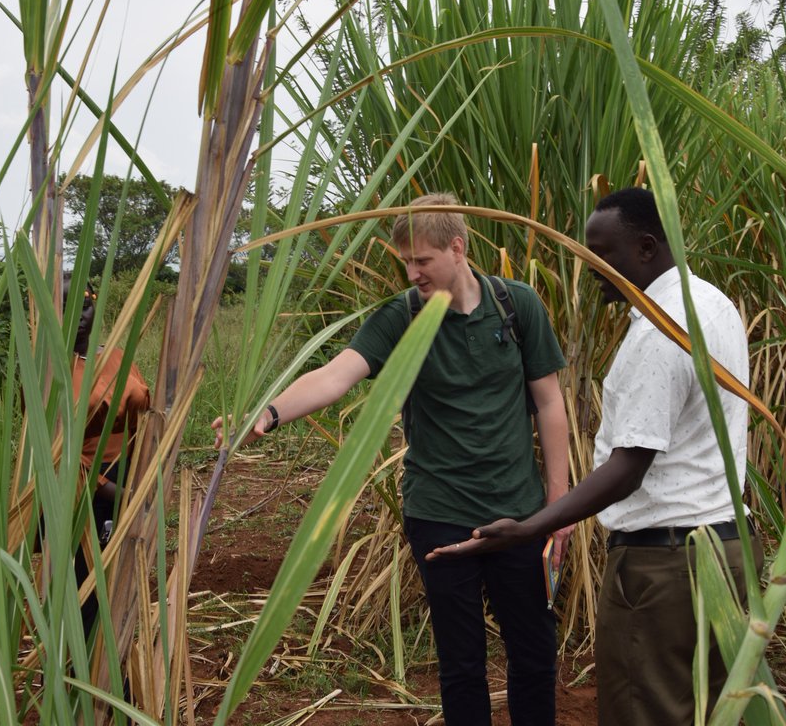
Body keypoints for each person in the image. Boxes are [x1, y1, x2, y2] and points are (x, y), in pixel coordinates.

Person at [213, 193, 571, 726]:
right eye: (405, 261)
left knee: (535, 657)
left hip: (519, 514)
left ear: (457, 248)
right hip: (439, 512)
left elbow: (549, 402)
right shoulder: (401, 317)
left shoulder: (516, 306)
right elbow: (336, 376)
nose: (412, 273)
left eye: (422, 260)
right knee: (461, 664)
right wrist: (267, 413)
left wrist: (557, 510)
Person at [428, 187, 758, 726]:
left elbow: (629, 469)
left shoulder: (660, 332)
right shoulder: (713, 303)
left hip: (664, 568)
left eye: (603, 254)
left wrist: (530, 527)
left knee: (643, 711)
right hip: (727, 552)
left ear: (647, 248)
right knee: (715, 710)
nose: (590, 268)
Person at [64, 273, 151, 638]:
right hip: (87, 487)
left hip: (129, 476)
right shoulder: (53, 369)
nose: (79, 313)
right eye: (68, 305)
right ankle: (87, 671)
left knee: (127, 578)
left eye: (84, 304)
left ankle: (127, 667)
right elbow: (58, 448)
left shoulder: (118, 356)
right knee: (90, 584)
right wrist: (108, 490)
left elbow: (146, 415)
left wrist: (140, 479)